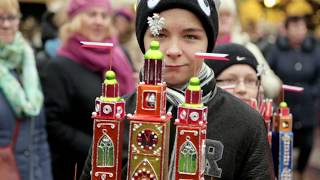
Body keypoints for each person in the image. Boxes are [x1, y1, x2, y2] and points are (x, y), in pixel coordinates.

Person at [80, 0, 274, 179]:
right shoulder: (116, 115)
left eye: (190, 36)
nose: (173, 50)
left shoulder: (244, 122)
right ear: (142, 40)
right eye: (159, 34)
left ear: (209, 42)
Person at [40, 0, 136, 179]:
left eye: (104, 15)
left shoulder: (120, 55)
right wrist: (100, 147)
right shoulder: (59, 66)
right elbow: (53, 124)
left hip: (124, 164)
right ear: (75, 20)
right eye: (92, 14)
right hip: (78, 166)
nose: (99, 21)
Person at [0, 0, 53, 179]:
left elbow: (39, 136)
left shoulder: (27, 62)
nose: (6, 24)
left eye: (11, 17)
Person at [266, 15, 320, 180]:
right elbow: (269, 72)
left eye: (301, 27)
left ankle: (300, 172)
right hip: (283, 104)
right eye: (294, 27)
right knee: (281, 142)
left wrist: (312, 93)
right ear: (286, 29)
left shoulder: (315, 49)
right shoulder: (276, 49)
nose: (298, 31)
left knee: (307, 144)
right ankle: (281, 172)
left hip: (307, 105)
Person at [216, 0, 282, 99]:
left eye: (228, 15)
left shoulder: (249, 48)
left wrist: (257, 84)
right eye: (220, 14)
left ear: (234, 19)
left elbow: (267, 78)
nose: (224, 19)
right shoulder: (203, 48)